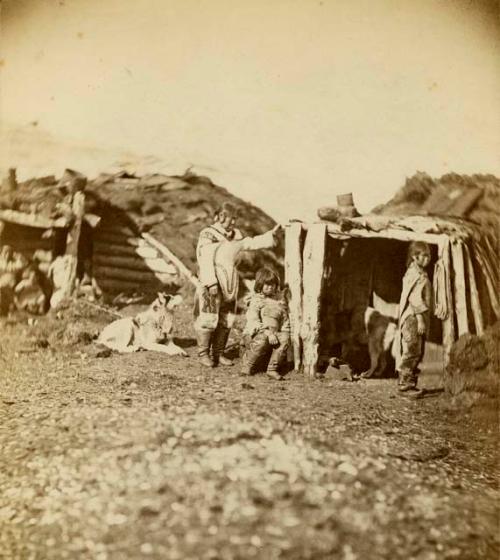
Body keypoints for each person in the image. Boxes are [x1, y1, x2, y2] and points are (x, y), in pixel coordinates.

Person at [195, 202, 281, 367]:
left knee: (227, 318)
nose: (233, 222)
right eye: (231, 218)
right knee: (209, 316)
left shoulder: (235, 235)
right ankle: (203, 353)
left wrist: (271, 235)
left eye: (235, 219)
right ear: (220, 216)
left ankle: (218, 353)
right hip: (212, 280)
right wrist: (211, 282)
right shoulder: (208, 234)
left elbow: (250, 243)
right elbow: (204, 259)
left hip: (230, 281)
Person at [240, 267, 291, 380]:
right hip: (256, 334)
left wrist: (285, 333)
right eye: (267, 284)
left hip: (274, 334)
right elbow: (253, 321)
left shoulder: (279, 302)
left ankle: (272, 369)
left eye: (273, 284)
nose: (270, 287)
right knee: (262, 339)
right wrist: (268, 332)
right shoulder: (256, 300)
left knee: (285, 338)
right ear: (260, 285)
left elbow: (285, 320)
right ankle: (247, 366)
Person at [396, 241, 432, 395]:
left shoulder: (421, 272)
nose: (427, 259)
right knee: (411, 349)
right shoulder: (414, 274)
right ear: (414, 257)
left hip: (416, 317)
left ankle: (410, 383)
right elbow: (414, 298)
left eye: (428, 256)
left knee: (416, 350)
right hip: (412, 317)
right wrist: (420, 319)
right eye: (423, 256)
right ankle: (405, 385)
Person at [0, 245, 28, 315]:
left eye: (9, 252)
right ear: (1, 253)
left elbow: (23, 264)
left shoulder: (14, 263)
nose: (7, 255)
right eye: (5, 252)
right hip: (2, 281)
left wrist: (18, 257)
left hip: (10, 282)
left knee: (3, 289)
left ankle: (6, 309)